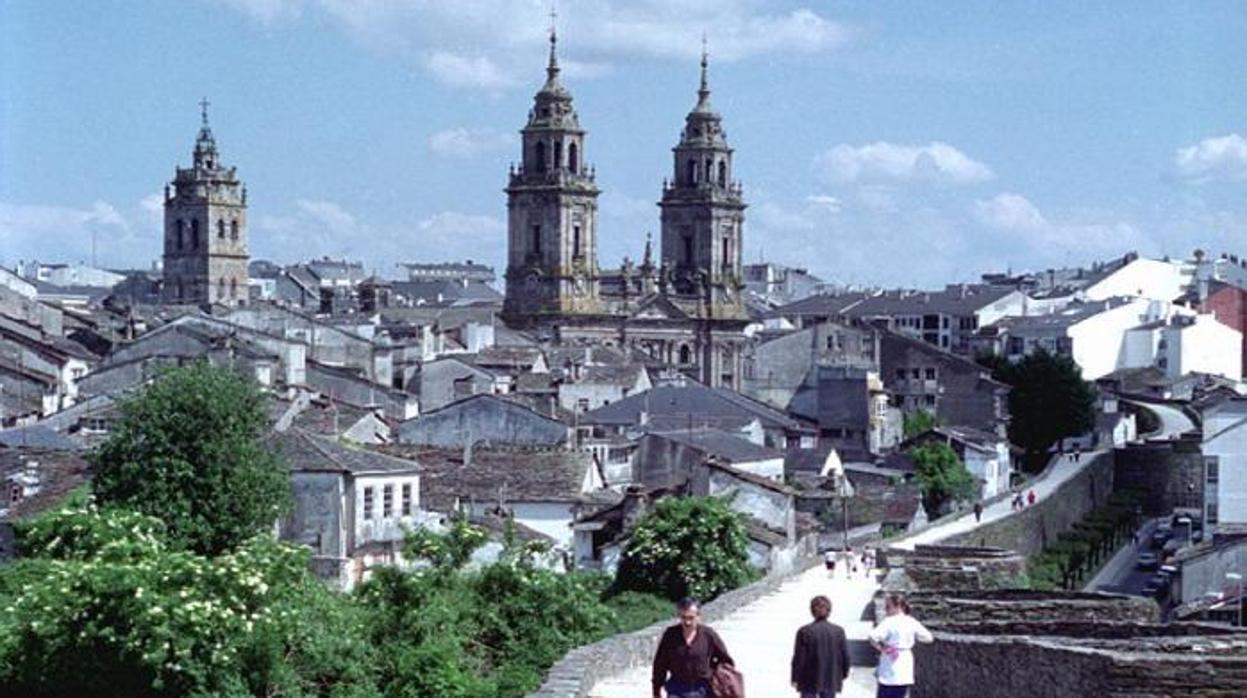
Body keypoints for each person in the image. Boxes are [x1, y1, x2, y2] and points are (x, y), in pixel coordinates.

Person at [651, 597, 734, 698]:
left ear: (698, 616)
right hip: (677, 688)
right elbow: (660, 664)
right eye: (684, 617)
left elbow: (726, 661)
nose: (687, 622)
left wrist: (714, 674)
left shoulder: (708, 635)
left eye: (691, 618)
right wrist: (656, 690)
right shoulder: (670, 635)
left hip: (703, 689)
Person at [869, 593, 933, 698]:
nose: (886, 609)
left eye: (888, 607)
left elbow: (872, 637)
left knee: (886, 690)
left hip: (890, 657)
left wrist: (882, 648)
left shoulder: (889, 622)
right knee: (901, 692)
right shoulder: (911, 622)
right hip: (905, 659)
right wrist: (912, 638)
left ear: (898, 607)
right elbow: (928, 638)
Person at [791, 595, 851, 698]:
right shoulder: (838, 631)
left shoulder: (804, 631)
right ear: (829, 610)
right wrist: (843, 674)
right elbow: (845, 656)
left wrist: (795, 677)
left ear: (812, 611)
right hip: (830, 677)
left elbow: (799, 658)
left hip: (808, 679)